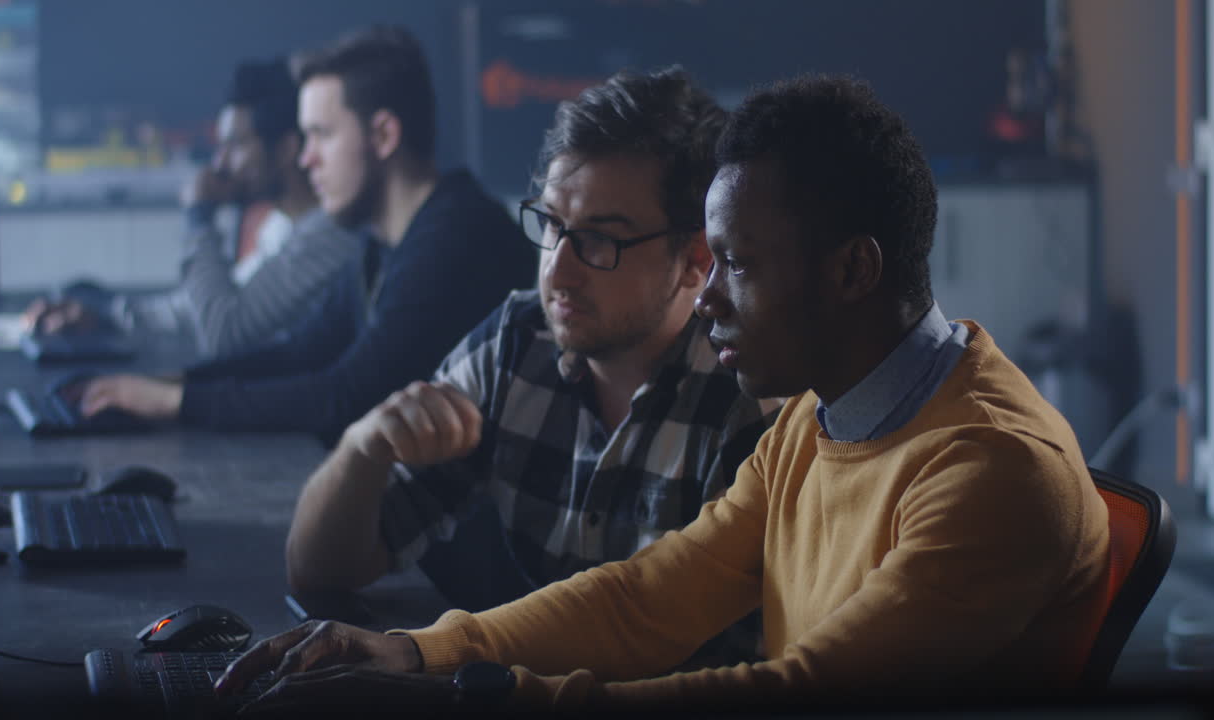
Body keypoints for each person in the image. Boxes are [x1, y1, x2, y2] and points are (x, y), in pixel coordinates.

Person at [215, 74, 1111, 712]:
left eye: (739, 266)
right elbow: (642, 601)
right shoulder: (816, 417)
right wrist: (420, 654)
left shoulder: (991, 473)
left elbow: (802, 696)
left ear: (852, 271)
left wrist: (468, 693)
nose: (708, 296)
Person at [282, 67, 782, 637]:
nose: (557, 272)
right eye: (551, 224)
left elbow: (678, 643)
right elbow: (317, 569)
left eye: (600, 238)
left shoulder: (751, 395)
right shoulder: (518, 340)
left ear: (696, 257)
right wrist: (362, 449)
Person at [70, 26, 536, 444]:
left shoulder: (454, 239)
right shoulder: (382, 240)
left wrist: (172, 402)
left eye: (320, 135)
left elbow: (347, 396)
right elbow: (302, 353)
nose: (305, 158)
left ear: (384, 135)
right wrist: (173, 383)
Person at [24, 58, 361, 360]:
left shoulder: (330, 236)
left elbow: (222, 333)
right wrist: (104, 313)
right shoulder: (279, 224)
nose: (220, 162)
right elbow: (198, 313)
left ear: (287, 148)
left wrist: (199, 218)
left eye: (235, 145)